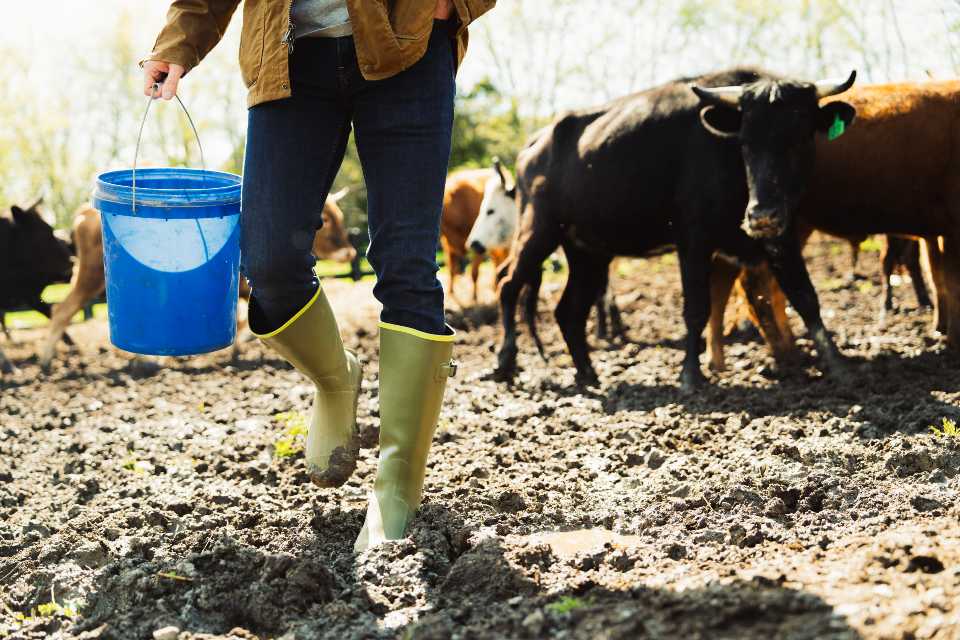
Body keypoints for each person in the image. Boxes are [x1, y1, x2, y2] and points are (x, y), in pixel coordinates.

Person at [142, 0, 495, 551]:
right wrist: (175, 46)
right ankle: (336, 379)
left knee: (407, 262)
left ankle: (396, 484)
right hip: (286, 62)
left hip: (405, 45)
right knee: (269, 261)